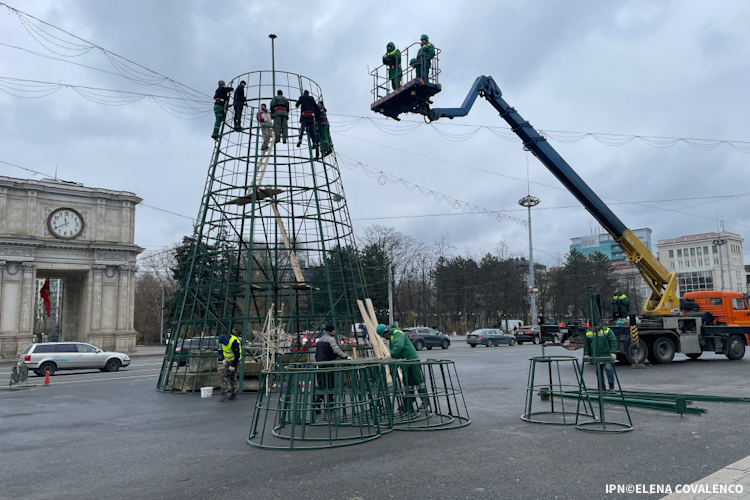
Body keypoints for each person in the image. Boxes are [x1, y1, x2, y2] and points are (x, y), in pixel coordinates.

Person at [377, 324, 429, 411]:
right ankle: (409, 402)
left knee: (418, 381)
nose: (383, 337)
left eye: (383, 335)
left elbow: (399, 346)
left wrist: (391, 356)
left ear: (386, 332)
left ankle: (425, 401)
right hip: (405, 362)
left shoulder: (397, 333)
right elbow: (396, 350)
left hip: (412, 360)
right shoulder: (390, 338)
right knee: (408, 383)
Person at [314, 325, 352, 411]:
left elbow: (316, 353)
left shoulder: (320, 340)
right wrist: (345, 357)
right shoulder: (331, 339)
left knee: (321, 384)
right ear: (331, 331)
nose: (335, 332)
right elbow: (336, 350)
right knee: (330, 384)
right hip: (329, 364)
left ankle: (317, 403)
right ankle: (330, 404)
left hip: (320, 364)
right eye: (334, 330)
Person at [583, 323, 618, 391]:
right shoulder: (588, 332)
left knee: (609, 370)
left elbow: (613, 341)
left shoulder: (607, 330)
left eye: (592, 327)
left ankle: (611, 386)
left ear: (598, 326)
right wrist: (586, 354)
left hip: (606, 355)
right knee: (598, 371)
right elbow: (586, 344)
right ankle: (602, 386)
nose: (591, 329)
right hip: (595, 356)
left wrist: (613, 352)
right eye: (590, 327)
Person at [218, 330, 242, 401]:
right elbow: (223, 351)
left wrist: (233, 365)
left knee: (224, 376)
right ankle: (233, 394)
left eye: (225, 343)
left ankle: (225, 393)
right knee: (232, 376)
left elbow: (237, 355)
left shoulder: (234, 342)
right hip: (228, 360)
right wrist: (223, 359)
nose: (225, 344)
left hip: (234, 360)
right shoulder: (224, 341)